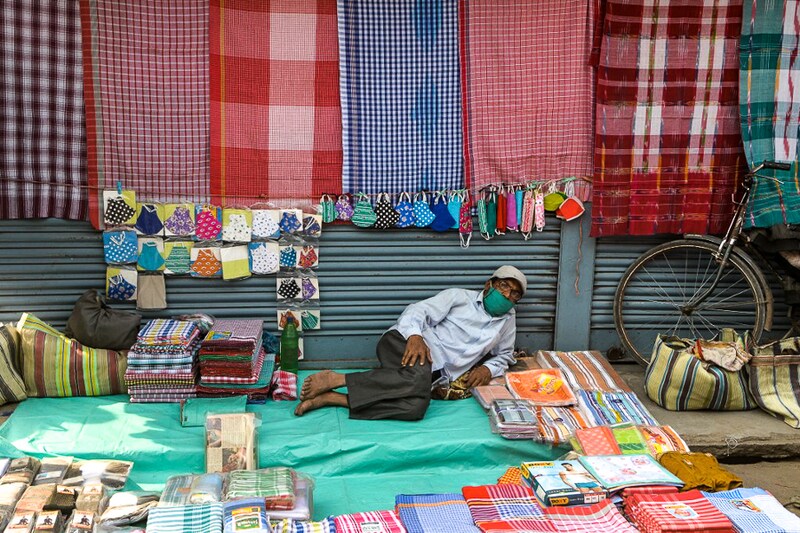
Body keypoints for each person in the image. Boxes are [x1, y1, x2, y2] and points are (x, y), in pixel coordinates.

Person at [294, 265, 526, 420]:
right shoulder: (459, 297)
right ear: (489, 284)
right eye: (504, 286)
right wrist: (415, 336)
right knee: (418, 377)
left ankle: (333, 398)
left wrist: (488, 367)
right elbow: (418, 310)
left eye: (515, 293)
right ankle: (336, 379)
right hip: (402, 343)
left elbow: (505, 355)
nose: (507, 295)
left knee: (415, 408)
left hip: (433, 373)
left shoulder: (507, 320)